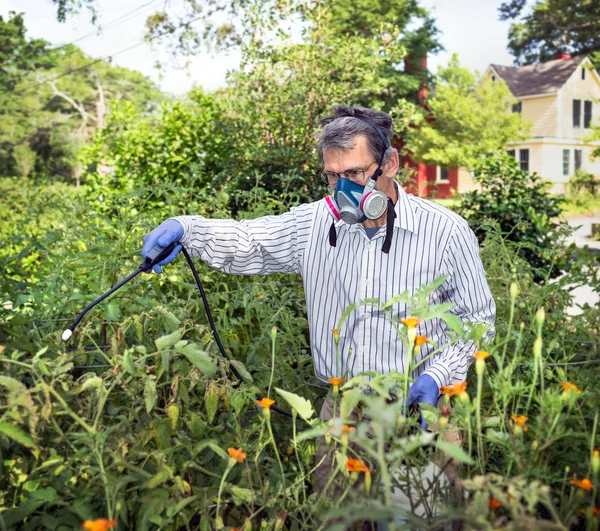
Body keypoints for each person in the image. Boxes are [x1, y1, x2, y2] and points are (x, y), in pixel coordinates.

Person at [141, 105, 496, 494]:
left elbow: (478, 321)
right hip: (344, 411)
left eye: (355, 174)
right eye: (333, 176)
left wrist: (436, 376)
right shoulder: (314, 223)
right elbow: (250, 241)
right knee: (340, 515)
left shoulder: (445, 231)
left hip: (422, 411)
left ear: (390, 163)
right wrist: (187, 230)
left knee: (423, 517)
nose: (344, 190)